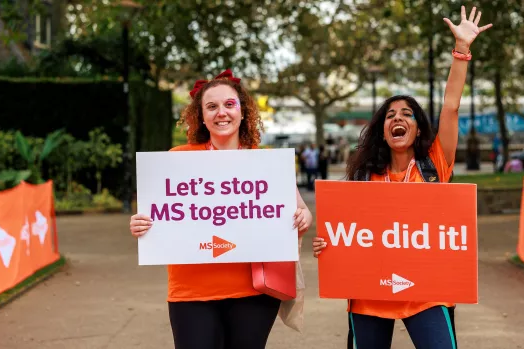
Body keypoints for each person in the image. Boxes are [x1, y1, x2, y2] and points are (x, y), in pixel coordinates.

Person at [312, 6, 492, 349]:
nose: (399, 118)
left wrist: (462, 50)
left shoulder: (435, 163)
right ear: (383, 131)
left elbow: (451, 107)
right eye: (391, 115)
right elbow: (343, 234)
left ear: (418, 127)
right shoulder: (364, 178)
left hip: (427, 293)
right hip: (369, 294)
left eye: (407, 114)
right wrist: (327, 246)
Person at [129, 69, 313, 349]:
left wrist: (302, 217)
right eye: (211, 106)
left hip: (254, 291)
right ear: (200, 116)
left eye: (229, 104)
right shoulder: (177, 159)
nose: (221, 113)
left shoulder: (265, 162)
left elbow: (300, 211)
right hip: (190, 292)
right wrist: (141, 225)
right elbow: (159, 214)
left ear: (242, 111)